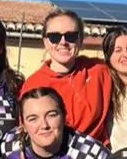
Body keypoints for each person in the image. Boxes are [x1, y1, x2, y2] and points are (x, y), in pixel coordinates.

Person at [20, 9, 112, 142]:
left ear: (80, 40)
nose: (63, 42)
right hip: (56, 157)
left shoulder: (99, 70)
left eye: (71, 36)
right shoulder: (33, 84)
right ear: (45, 42)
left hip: (96, 155)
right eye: (54, 37)